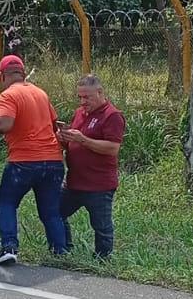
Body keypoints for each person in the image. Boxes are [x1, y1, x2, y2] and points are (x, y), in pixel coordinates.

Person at [0, 55, 67, 265]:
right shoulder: (40, 93)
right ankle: (60, 251)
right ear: (22, 72)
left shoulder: (9, 95)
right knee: (51, 211)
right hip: (53, 160)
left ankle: (9, 247)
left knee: (7, 203)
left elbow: (4, 125)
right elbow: (54, 124)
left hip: (24, 160)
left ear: (1, 76)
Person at [57, 75, 126, 260]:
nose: (83, 102)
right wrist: (64, 138)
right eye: (80, 97)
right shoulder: (79, 113)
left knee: (101, 226)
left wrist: (83, 140)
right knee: (55, 213)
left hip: (99, 185)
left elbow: (112, 148)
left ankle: (103, 259)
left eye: (87, 97)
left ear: (100, 92)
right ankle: (63, 250)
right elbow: (72, 144)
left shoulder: (112, 115)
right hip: (74, 182)